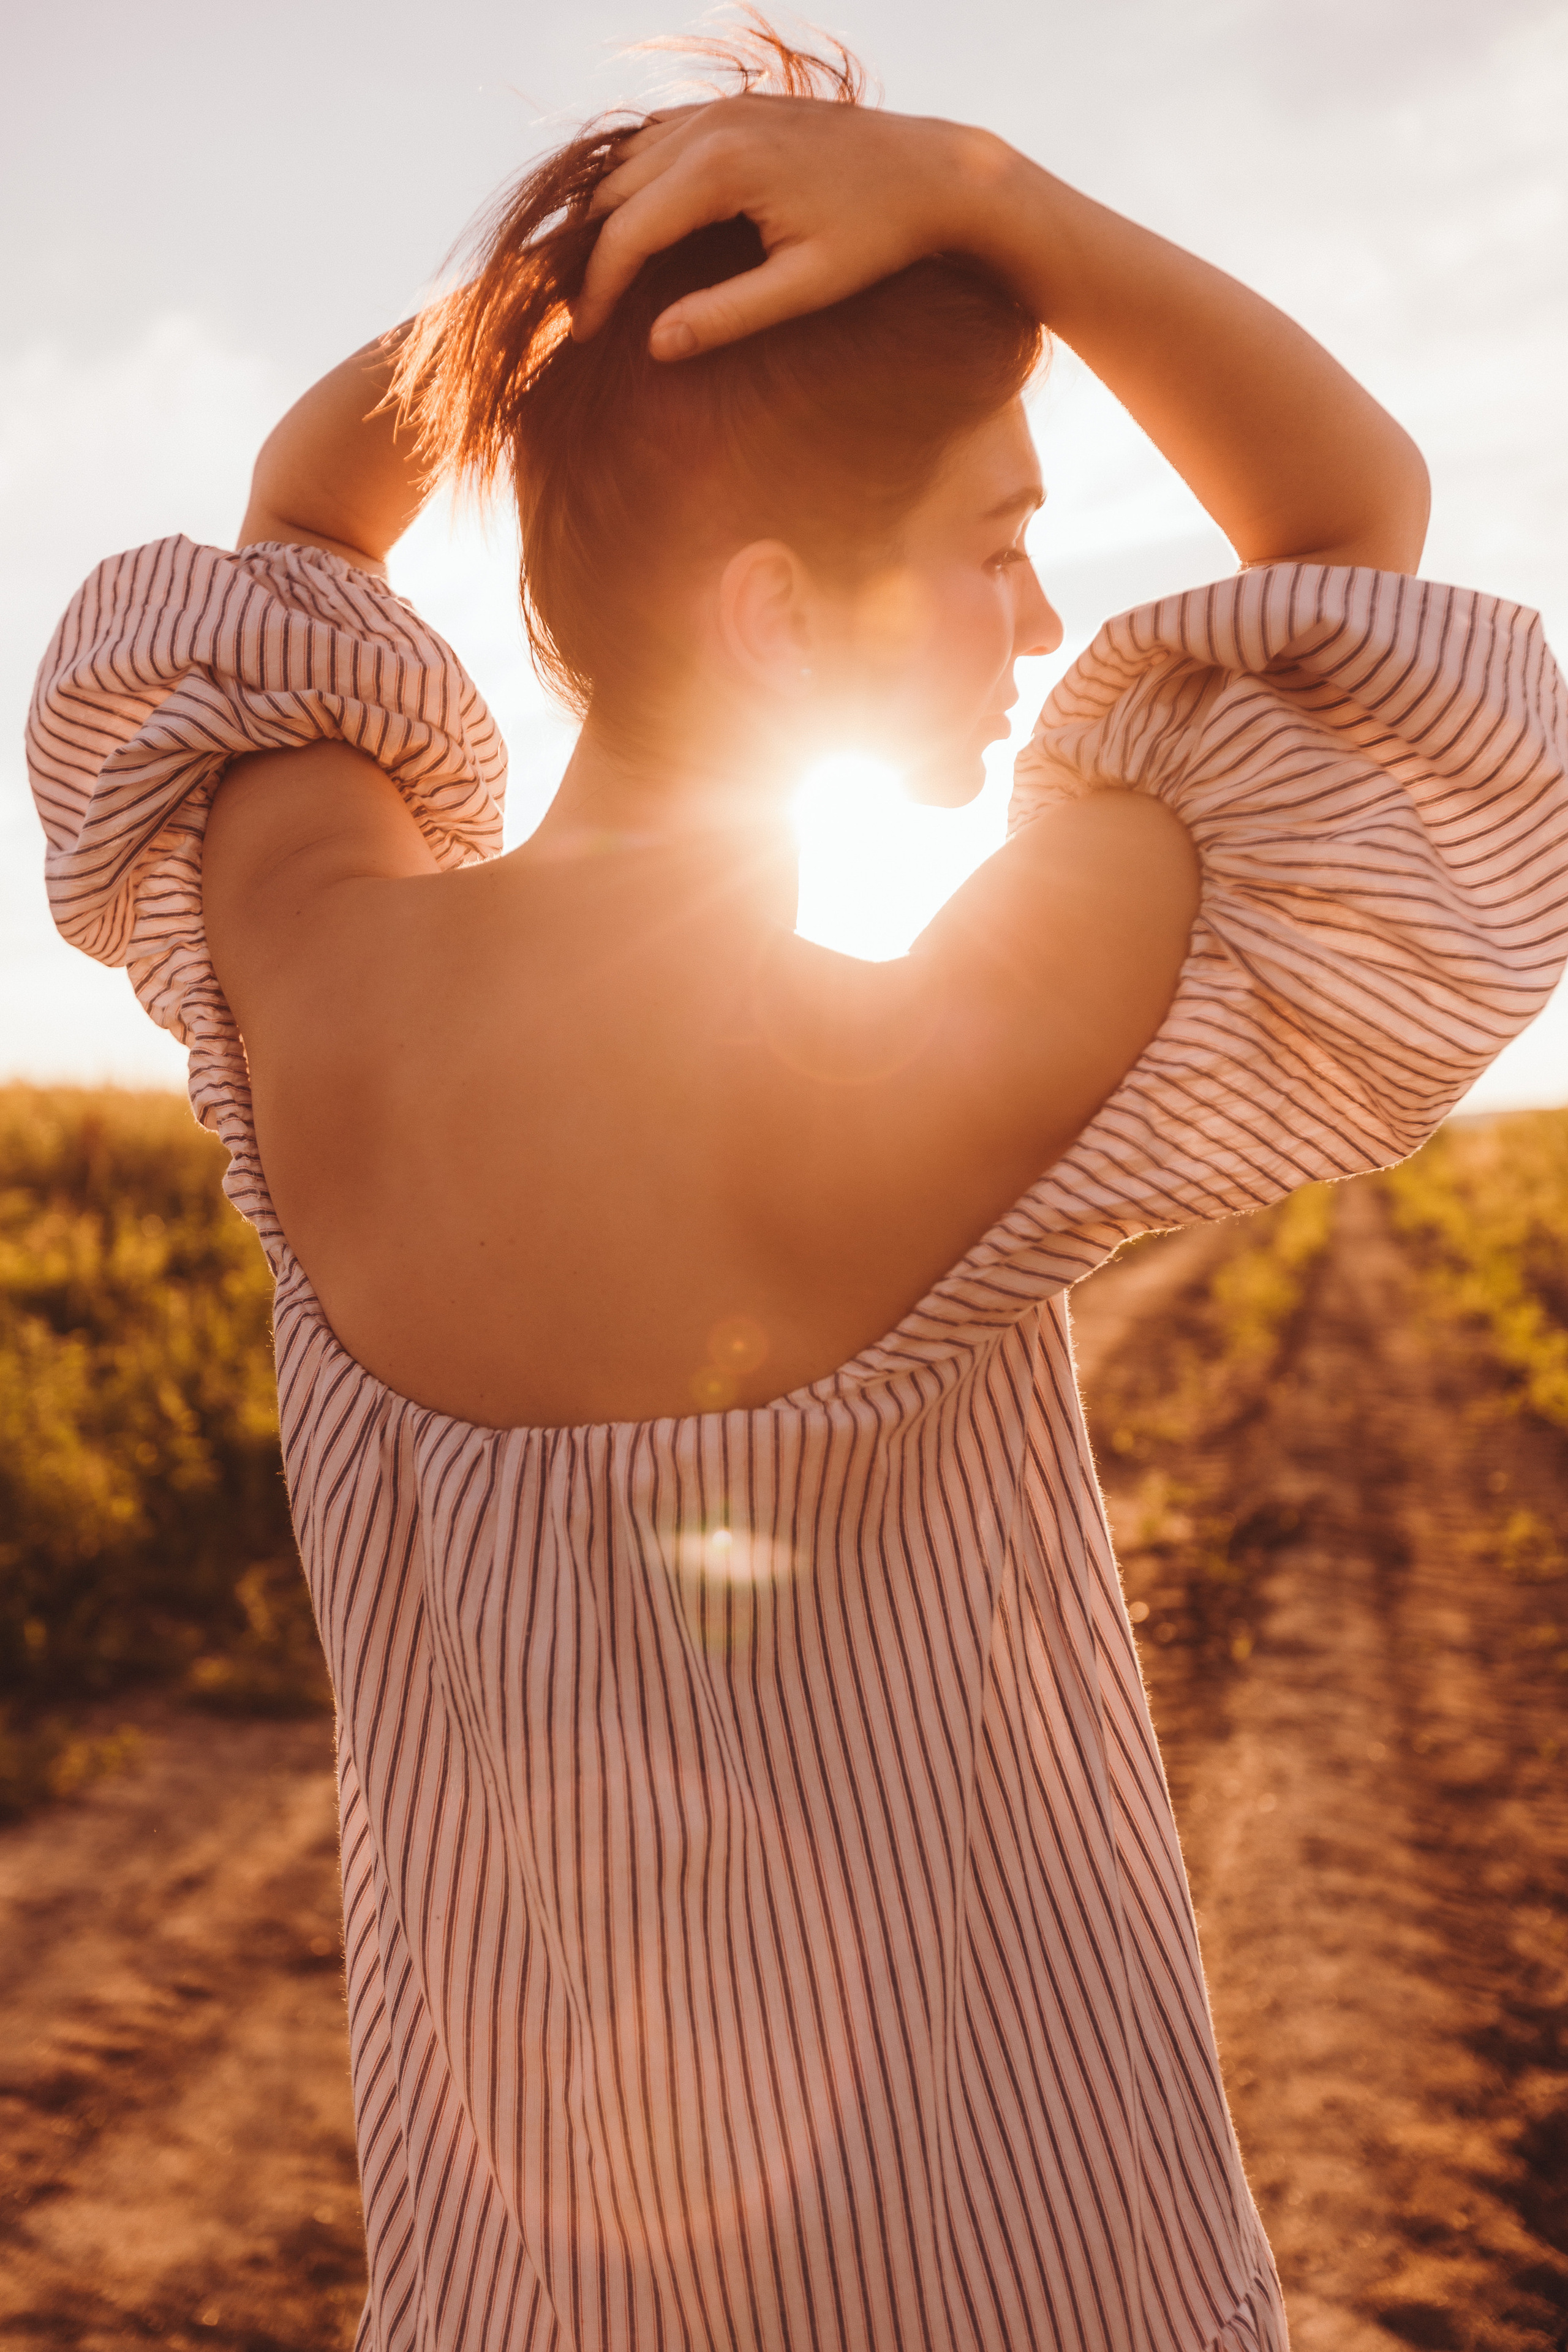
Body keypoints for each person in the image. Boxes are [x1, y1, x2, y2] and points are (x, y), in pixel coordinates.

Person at [27, 24, 1568, 2352]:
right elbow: (1351, 537)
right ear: (776, 617)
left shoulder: (310, 979)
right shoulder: (902, 1068)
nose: (1043, 625)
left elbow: (296, 530)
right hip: (1014, 2270)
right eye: (998, 547)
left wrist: (562, 287)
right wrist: (988, 194)